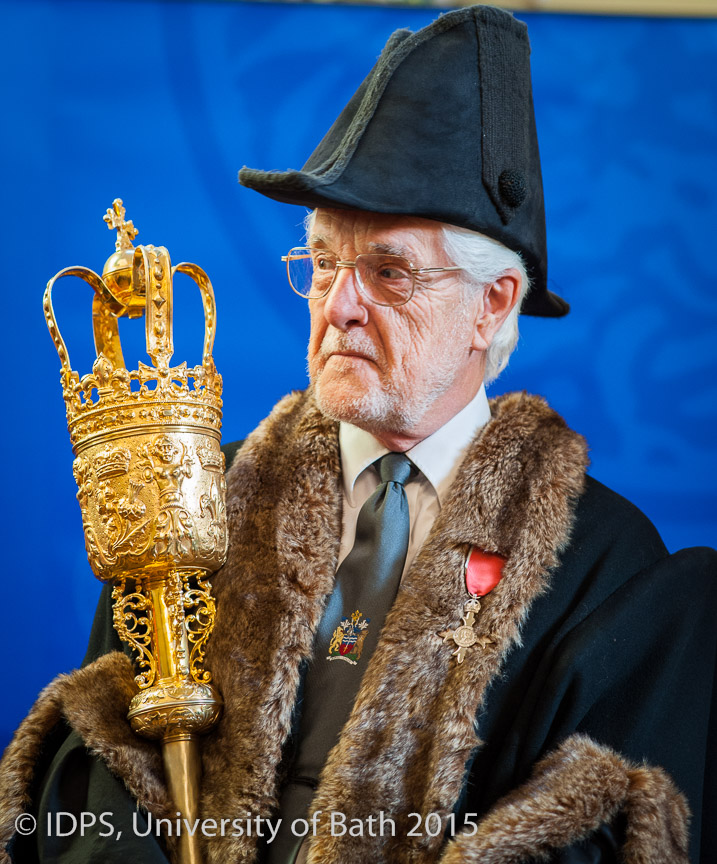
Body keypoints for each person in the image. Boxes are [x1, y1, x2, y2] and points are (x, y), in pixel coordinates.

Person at [1, 6, 715, 864]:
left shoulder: (605, 569)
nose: (337, 305)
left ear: (491, 305)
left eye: (387, 271)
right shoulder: (191, 506)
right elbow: (99, 767)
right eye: (322, 262)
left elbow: (591, 834)